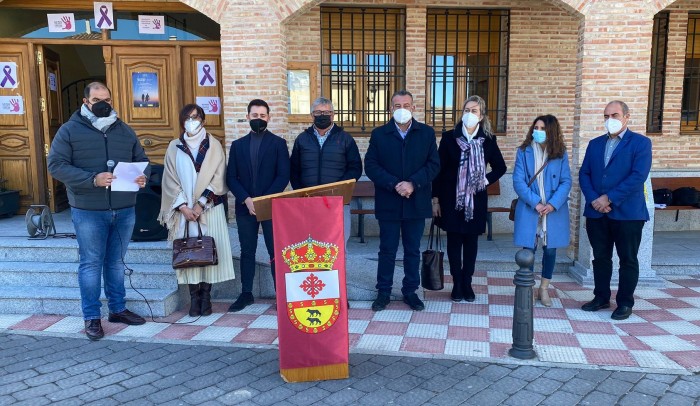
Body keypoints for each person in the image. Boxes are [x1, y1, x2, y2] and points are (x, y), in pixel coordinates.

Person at [47, 81, 149, 341]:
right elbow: (56, 165)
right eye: (97, 100)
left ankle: (117, 309)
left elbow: (142, 161)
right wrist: (92, 179)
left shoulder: (124, 130)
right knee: (91, 264)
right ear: (86, 102)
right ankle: (91, 317)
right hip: (88, 210)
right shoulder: (69, 131)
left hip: (124, 208)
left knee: (116, 263)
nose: (103, 104)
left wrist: (142, 177)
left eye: (107, 99)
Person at [365, 90, 440, 312]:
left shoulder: (426, 133)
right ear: (390, 109)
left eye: (406, 105)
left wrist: (412, 184)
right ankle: (384, 292)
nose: (402, 109)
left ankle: (410, 291)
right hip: (389, 201)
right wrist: (394, 184)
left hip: (416, 202)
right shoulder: (379, 134)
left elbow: (433, 165)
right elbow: (371, 165)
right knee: (387, 249)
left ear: (414, 108)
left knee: (412, 250)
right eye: (397, 105)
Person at [158, 104, 235, 317]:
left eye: (196, 117)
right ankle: (194, 298)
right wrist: (183, 207)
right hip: (185, 212)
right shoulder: (174, 146)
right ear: (182, 121)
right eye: (188, 117)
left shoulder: (214, 145)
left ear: (203, 119)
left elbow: (219, 177)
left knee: (208, 250)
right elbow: (170, 179)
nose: (192, 121)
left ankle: (206, 298)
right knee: (189, 253)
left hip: (208, 209)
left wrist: (201, 204)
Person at [579, 101, 652, 320]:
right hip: (596, 212)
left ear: (627, 117)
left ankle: (625, 303)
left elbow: (638, 176)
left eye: (615, 114)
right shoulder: (594, 144)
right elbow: (585, 174)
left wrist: (609, 198)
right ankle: (601, 297)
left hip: (627, 213)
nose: (610, 119)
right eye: (606, 115)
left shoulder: (640, 143)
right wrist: (595, 200)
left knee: (627, 259)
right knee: (600, 257)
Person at [432, 95, 506, 303]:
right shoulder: (449, 138)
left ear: (481, 116)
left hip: (476, 199)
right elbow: (438, 170)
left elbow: (500, 167)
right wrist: (435, 199)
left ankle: (467, 282)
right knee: (454, 241)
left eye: (474, 111)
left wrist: (485, 179)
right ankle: (456, 283)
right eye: (466, 110)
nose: (469, 114)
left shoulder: (488, 139)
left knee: (471, 243)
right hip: (451, 199)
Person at [227, 99, 290, 312]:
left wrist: (264, 201)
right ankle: (246, 294)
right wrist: (246, 199)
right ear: (247, 117)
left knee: (275, 251)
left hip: (271, 207)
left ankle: (280, 295)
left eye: (263, 116)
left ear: (269, 118)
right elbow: (231, 178)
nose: (259, 119)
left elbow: (283, 176)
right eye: (255, 116)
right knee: (247, 251)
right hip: (246, 207)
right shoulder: (237, 146)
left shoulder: (278, 144)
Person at [512, 115, 572, 307]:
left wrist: (553, 204)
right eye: (535, 127)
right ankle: (527, 287)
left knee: (551, 250)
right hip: (531, 208)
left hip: (553, 210)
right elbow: (518, 181)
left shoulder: (560, 153)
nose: (537, 131)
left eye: (542, 128)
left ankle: (544, 288)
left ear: (551, 131)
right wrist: (536, 203)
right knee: (528, 249)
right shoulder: (524, 151)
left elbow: (566, 181)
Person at [290, 97, 362, 243]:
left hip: (337, 203)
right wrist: (302, 194)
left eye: (326, 112)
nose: (322, 116)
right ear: (312, 115)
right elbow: (294, 170)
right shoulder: (302, 139)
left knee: (338, 247)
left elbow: (355, 168)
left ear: (333, 115)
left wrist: (338, 190)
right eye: (318, 112)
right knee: (310, 245)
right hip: (309, 203)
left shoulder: (345, 139)